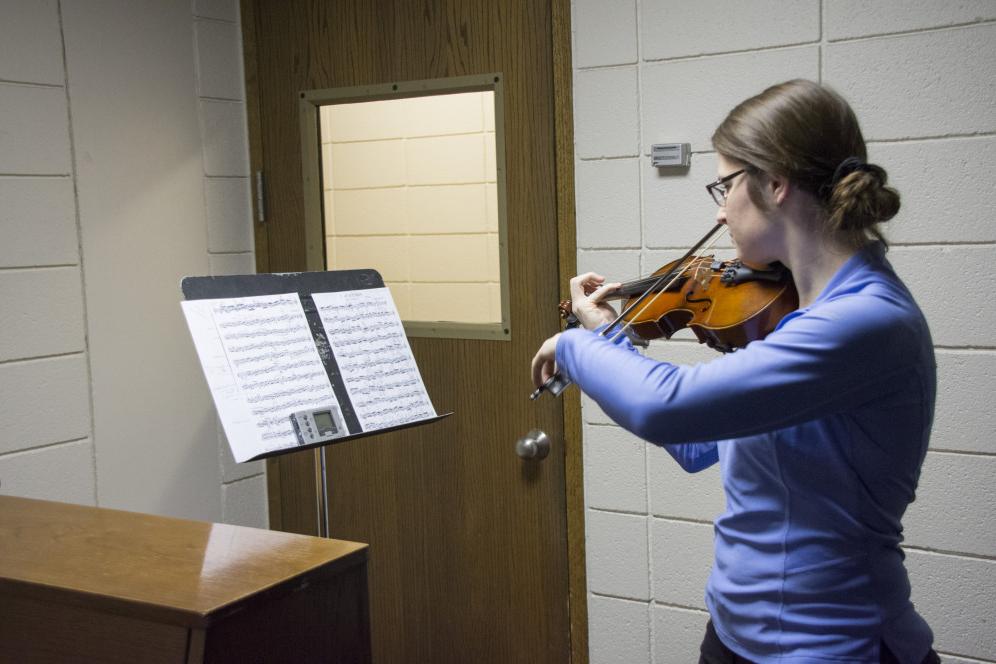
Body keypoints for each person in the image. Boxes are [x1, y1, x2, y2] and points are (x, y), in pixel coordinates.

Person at [531, 79, 940, 663]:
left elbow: (664, 406)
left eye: (726, 185)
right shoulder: (807, 313)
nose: (720, 212)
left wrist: (572, 346)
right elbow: (699, 441)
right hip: (735, 634)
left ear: (776, 183)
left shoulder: (864, 321)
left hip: (831, 646)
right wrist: (606, 332)